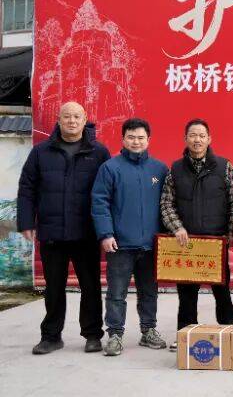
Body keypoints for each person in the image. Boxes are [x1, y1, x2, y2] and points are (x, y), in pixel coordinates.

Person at [17, 101, 110, 354]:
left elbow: (108, 192)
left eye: (76, 117)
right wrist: (26, 221)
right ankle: (51, 336)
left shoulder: (99, 152)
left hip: (86, 232)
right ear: (59, 120)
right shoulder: (41, 152)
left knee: (90, 287)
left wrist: (107, 229)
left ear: (85, 120)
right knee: (54, 287)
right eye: (67, 116)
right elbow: (27, 188)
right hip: (52, 232)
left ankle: (92, 335)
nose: (72, 121)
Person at [160, 118, 233, 348]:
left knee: (222, 291)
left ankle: (230, 333)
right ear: (185, 139)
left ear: (209, 139)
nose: (197, 140)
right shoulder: (176, 169)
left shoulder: (224, 166)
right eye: (193, 135)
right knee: (186, 295)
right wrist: (177, 227)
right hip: (186, 244)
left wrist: (231, 234)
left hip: (216, 243)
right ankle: (185, 337)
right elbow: (166, 203)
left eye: (202, 136)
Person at [91, 118, 169, 356]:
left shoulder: (159, 169)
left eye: (141, 138)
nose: (136, 142)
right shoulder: (110, 168)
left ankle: (149, 330)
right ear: (123, 139)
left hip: (151, 245)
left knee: (149, 291)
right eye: (131, 137)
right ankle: (115, 335)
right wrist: (106, 234)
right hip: (120, 245)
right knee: (116, 293)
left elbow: (168, 205)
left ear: (149, 140)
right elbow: (100, 202)